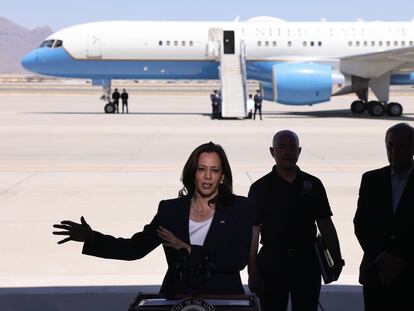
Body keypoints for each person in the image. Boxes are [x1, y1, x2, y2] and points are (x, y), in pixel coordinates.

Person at [53, 142, 254, 296]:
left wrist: (188, 250)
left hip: (224, 298)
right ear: (192, 173)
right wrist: (92, 238)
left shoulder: (239, 208)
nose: (208, 176)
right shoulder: (170, 210)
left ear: (222, 176)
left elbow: (236, 260)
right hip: (177, 298)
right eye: (202, 169)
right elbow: (134, 249)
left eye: (214, 170)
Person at [248, 130, 344, 311]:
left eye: (292, 147)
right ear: (272, 151)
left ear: (299, 151)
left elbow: (325, 224)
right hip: (272, 262)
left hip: (307, 261)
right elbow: (253, 231)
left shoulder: (313, 184)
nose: (287, 152)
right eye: (282, 147)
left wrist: (337, 259)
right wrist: (252, 271)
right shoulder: (260, 188)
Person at [353, 123, 414, 311]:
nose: (394, 151)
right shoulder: (371, 179)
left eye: (401, 146)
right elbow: (361, 224)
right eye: (390, 146)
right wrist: (381, 258)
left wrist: (399, 264)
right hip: (376, 273)